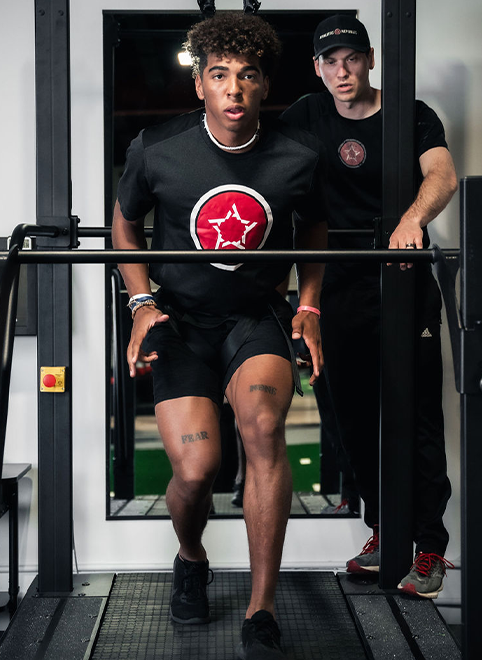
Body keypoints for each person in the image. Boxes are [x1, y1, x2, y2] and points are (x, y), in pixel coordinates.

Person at [112, 12, 326, 659]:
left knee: (262, 429)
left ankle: (262, 608)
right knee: (197, 469)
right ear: (200, 83)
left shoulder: (297, 155)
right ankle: (191, 555)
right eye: (220, 75)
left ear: (265, 85)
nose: (234, 88)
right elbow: (125, 224)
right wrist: (141, 300)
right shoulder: (158, 148)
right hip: (180, 322)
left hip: (255, 318)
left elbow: (314, 228)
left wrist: (308, 305)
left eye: (248, 75)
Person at [281, 14, 457, 598]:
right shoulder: (306, 115)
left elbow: (443, 175)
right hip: (336, 284)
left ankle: (429, 546)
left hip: (403, 276)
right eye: (331, 62)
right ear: (317, 68)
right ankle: (385, 531)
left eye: (352, 58)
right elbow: (263, 166)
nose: (342, 71)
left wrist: (411, 220)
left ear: (371, 59)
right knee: (350, 414)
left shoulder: (411, 113)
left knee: (417, 411)